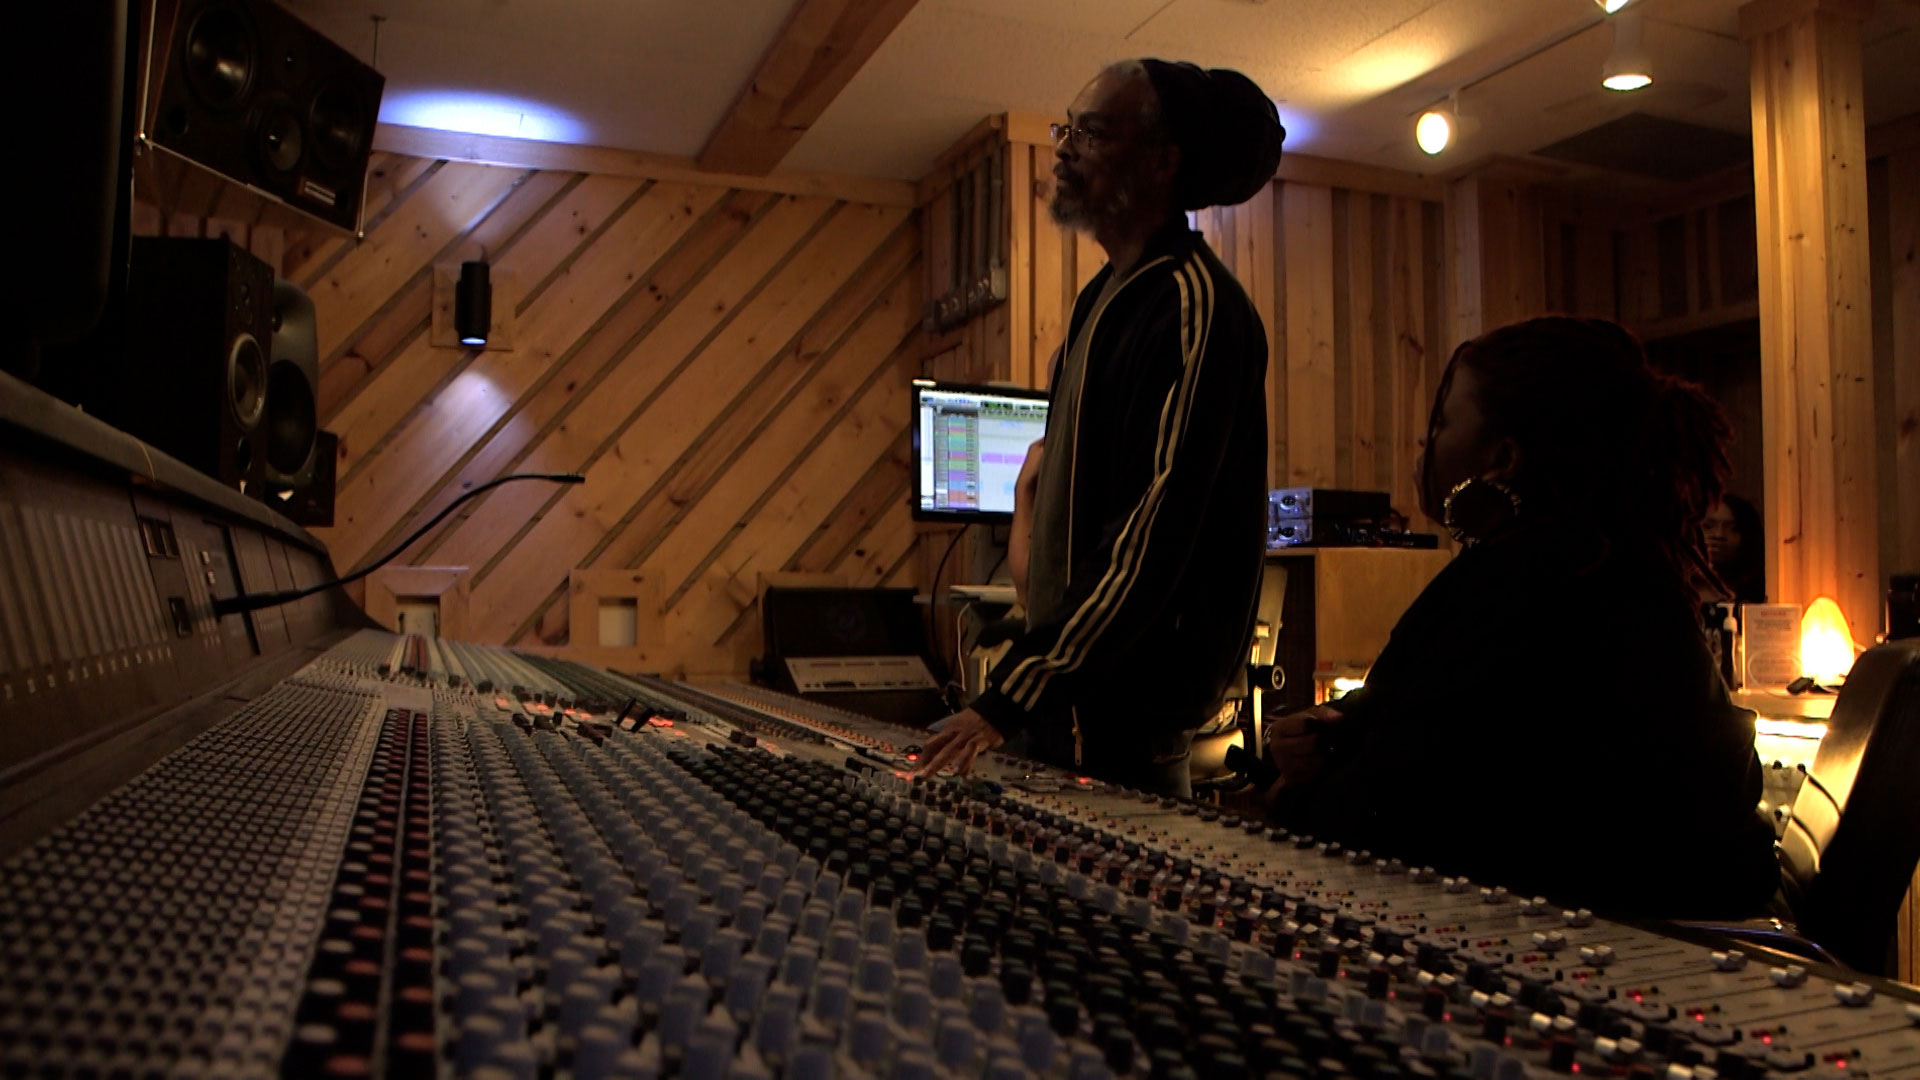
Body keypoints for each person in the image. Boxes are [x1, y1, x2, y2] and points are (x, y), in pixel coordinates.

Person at [1265, 317, 1779, 919]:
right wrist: (1335, 728)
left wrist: (1288, 796)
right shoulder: (1600, 561)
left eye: (1442, 422)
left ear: (1503, 458)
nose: (1424, 443)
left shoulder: (1532, 581)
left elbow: (1397, 806)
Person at [915, 59, 1284, 797]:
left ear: (1160, 162)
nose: (1063, 149)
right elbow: (1065, 553)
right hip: (1065, 712)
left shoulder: (1195, 307)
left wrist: (1010, 696)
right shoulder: (1100, 300)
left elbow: (1151, 536)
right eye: (1067, 128)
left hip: (1128, 735)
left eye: (1091, 132)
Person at [1702, 493, 1766, 605]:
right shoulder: (1675, 588)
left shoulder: (1763, 592)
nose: (1718, 534)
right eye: (1708, 526)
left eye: (1733, 529)